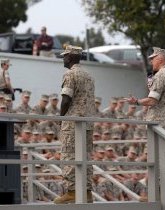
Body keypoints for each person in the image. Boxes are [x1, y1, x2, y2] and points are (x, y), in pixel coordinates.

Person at [125, 47, 165, 201]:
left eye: (153, 58)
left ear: (160, 59)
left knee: (157, 157)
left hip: (160, 123)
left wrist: (135, 101)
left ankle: (157, 194)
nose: (151, 61)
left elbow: (152, 100)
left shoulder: (161, 75)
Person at [54, 45, 95, 204]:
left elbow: (66, 99)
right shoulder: (89, 76)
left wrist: (60, 118)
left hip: (73, 123)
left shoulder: (70, 74)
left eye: (65, 56)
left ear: (70, 57)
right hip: (88, 123)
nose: (63, 59)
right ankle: (87, 192)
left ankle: (72, 192)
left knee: (70, 156)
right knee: (85, 157)